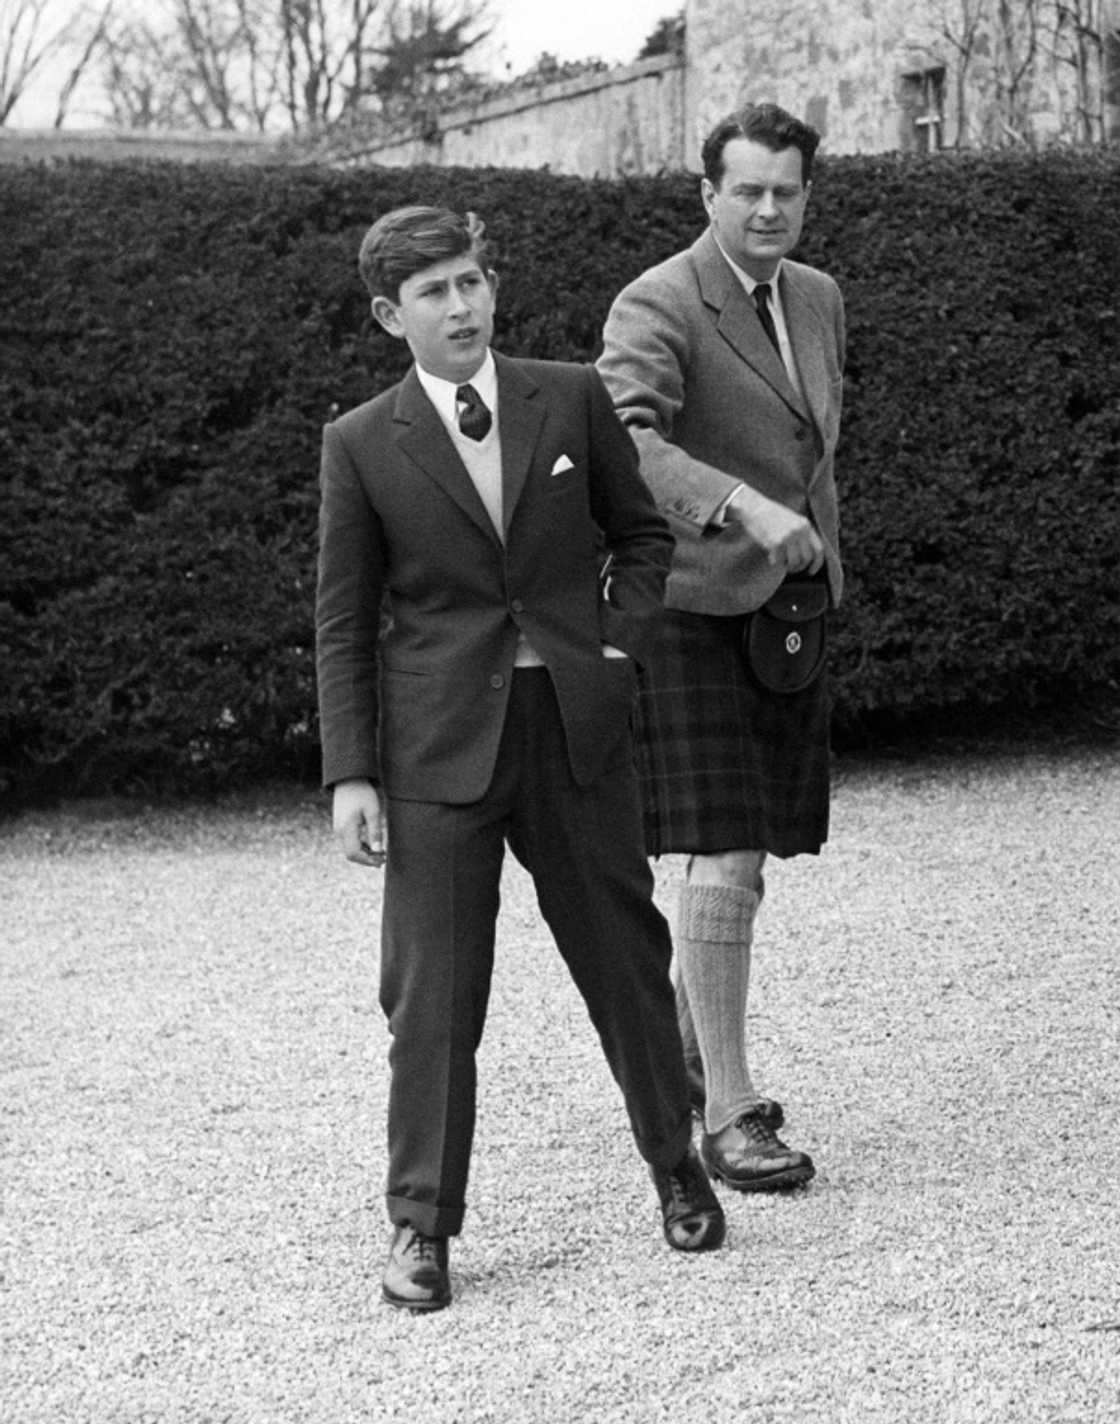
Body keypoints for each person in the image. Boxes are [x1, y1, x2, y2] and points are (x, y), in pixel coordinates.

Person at [315, 204, 725, 1314]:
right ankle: (421, 1225)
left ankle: (677, 1167)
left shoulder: (570, 395)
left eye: (470, 281)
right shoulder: (359, 442)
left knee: (624, 963)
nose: (460, 305)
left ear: (490, 286)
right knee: (433, 996)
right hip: (437, 750)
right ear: (389, 314)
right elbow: (345, 619)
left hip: (572, 733)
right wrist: (352, 771)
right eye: (433, 292)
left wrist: (611, 644)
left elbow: (642, 536)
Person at [597, 102, 845, 1195]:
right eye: (746, 189)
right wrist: (738, 504)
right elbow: (622, 435)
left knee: (747, 862)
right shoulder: (659, 298)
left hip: (785, 610)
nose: (767, 208)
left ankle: (702, 1056)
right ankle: (729, 1113)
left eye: (785, 190)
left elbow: (808, 443)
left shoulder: (818, 297)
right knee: (723, 850)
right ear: (707, 194)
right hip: (687, 606)